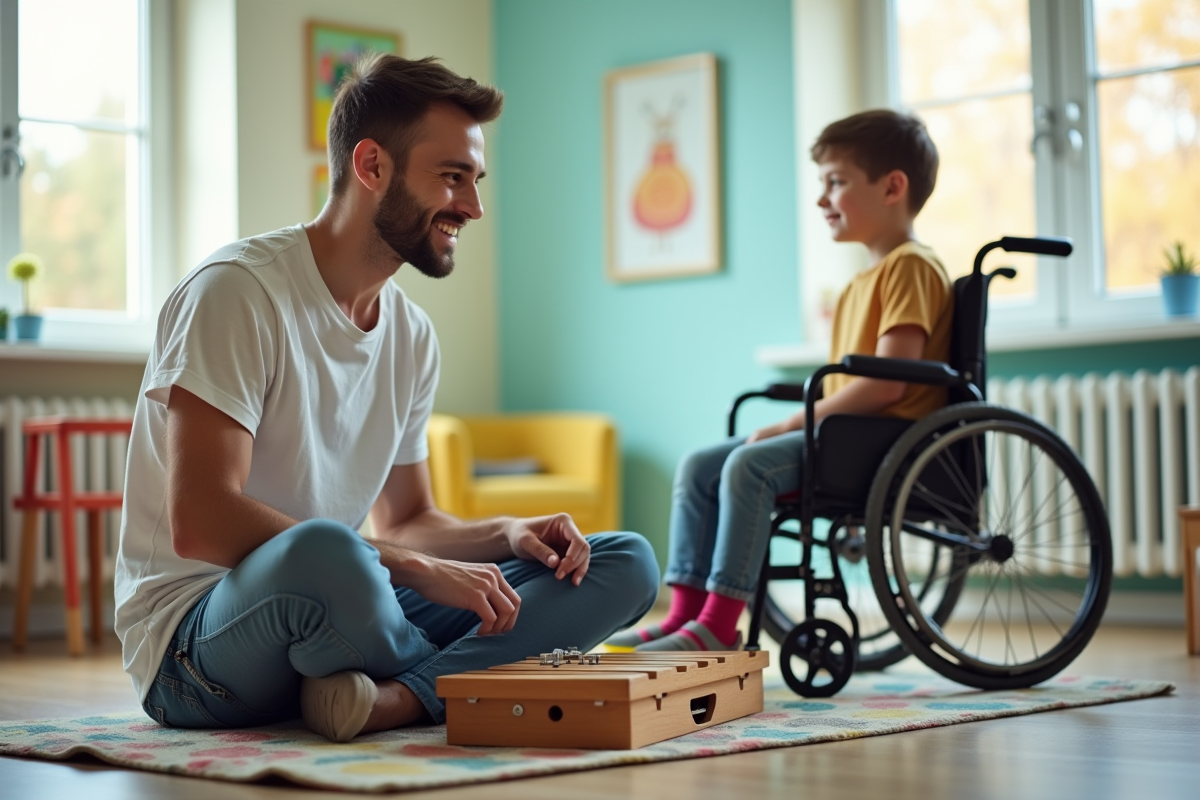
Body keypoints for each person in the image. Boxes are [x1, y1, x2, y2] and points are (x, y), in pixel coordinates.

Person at [114, 55, 659, 743]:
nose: (473, 206)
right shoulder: (237, 293)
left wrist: (508, 534)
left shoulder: (411, 334)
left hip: (349, 606)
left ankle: (393, 699)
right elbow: (200, 519)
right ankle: (455, 681)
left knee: (623, 561)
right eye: (453, 177)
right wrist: (404, 565)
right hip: (197, 646)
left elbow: (405, 519)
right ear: (372, 166)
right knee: (331, 554)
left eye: (476, 180)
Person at [605, 109, 949, 652]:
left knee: (750, 464)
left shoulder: (911, 267)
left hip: (883, 442)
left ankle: (717, 628)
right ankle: (684, 618)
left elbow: (889, 384)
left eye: (835, 183)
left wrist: (793, 421)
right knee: (699, 465)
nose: (821, 200)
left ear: (892, 187)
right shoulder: (863, 281)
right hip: (845, 435)